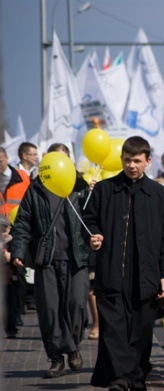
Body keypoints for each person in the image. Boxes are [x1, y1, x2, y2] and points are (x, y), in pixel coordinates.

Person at [83, 136, 164, 391]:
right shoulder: (105, 190)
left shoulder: (159, 194)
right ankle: (119, 383)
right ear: (121, 159)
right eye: (127, 160)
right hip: (112, 274)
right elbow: (88, 221)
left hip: (146, 277)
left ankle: (137, 383)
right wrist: (94, 236)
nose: (131, 165)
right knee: (113, 331)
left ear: (147, 161)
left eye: (137, 160)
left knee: (141, 333)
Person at [11, 143, 91, 378]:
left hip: (77, 257)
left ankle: (73, 345)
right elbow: (23, 222)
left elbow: (93, 218)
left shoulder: (80, 187)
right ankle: (57, 358)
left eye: (63, 159)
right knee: (50, 310)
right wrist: (18, 250)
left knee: (77, 304)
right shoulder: (36, 189)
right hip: (46, 259)